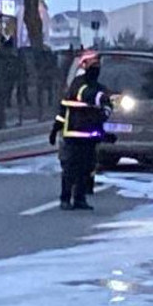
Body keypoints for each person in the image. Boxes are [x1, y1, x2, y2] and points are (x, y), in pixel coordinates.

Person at [49, 51, 115, 211]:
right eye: (93, 66)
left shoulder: (98, 87)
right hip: (74, 134)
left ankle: (80, 198)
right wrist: (55, 129)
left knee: (86, 169)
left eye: (98, 66)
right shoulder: (78, 84)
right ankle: (65, 199)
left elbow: (101, 112)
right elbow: (84, 96)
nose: (96, 69)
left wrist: (104, 133)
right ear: (85, 67)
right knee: (71, 168)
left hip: (89, 137)